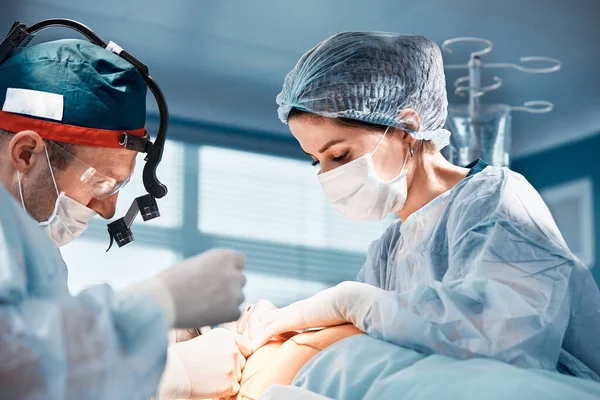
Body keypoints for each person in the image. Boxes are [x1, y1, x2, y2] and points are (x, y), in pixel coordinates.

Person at [245, 32, 600, 381]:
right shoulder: (388, 251)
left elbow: (503, 334)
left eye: (339, 155)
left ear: (406, 128)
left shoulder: (494, 200)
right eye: (316, 161)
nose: (327, 176)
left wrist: (354, 303)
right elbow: (368, 347)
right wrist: (284, 323)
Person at [0, 37, 250, 399]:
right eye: (100, 182)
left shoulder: (33, 252)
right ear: (25, 154)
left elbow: (46, 343)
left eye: (120, 185)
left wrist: (149, 340)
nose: (108, 209)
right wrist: (151, 335)